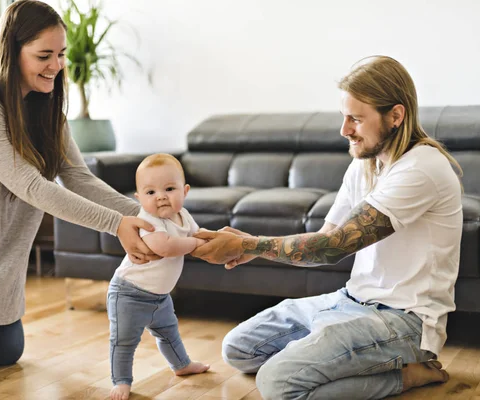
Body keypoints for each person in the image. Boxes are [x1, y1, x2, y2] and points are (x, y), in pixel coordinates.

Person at [0, 0, 159, 390]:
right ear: (11, 51)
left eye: (61, 54)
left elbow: (78, 178)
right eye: (43, 55)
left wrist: (154, 219)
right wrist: (116, 225)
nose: (56, 65)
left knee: (3, 351)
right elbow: (32, 186)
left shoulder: (45, 106)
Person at [191, 56, 463, 399]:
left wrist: (250, 246)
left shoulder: (421, 168)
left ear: (396, 115)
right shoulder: (366, 164)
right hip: (350, 301)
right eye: (343, 117)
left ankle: (409, 374)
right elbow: (322, 240)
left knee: (277, 384)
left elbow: (334, 246)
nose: (344, 130)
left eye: (356, 119)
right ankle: (346, 358)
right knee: (239, 349)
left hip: (405, 321)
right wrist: (248, 243)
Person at [108, 153, 210, 400]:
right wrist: (195, 243)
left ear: (184, 191)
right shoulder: (148, 220)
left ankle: (181, 365)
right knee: (124, 341)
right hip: (129, 293)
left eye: (169, 188)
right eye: (151, 192)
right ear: (139, 198)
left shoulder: (183, 215)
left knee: (169, 333)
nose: (161, 196)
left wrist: (215, 238)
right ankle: (121, 381)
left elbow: (199, 233)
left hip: (160, 297)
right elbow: (164, 247)